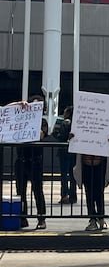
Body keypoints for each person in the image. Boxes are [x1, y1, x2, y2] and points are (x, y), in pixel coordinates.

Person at [72, 126, 109, 231]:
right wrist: (71, 137)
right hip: (85, 163)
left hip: (100, 164)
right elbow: (72, 137)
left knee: (99, 193)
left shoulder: (108, 122)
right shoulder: (81, 120)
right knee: (89, 193)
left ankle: (101, 218)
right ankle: (92, 219)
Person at [12, 96, 48, 230]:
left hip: (35, 161)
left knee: (37, 191)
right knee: (20, 191)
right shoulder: (20, 120)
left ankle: (41, 218)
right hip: (21, 160)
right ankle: (22, 217)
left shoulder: (42, 122)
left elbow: (41, 134)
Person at [52, 106, 77, 204]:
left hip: (63, 151)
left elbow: (58, 135)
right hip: (74, 151)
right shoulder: (76, 123)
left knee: (64, 174)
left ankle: (64, 195)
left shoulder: (64, 122)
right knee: (72, 175)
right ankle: (73, 196)